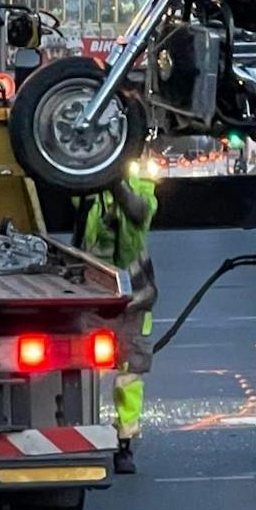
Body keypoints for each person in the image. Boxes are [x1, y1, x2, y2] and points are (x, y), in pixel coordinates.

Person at [78, 160, 160, 474]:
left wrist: (117, 186)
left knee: (130, 374)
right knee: (85, 371)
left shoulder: (139, 185)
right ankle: (81, 430)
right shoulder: (86, 188)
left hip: (133, 299)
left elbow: (140, 212)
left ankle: (124, 441)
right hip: (91, 294)